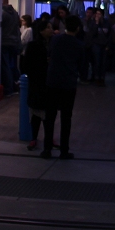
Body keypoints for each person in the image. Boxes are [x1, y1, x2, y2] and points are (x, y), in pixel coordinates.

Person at [42, 15, 83, 159]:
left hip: (53, 81)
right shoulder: (79, 45)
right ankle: (64, 150)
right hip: (69, 83)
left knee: (50, 116)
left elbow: (50, 54)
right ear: (77, 28)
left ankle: (47, 149)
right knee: (66, 117)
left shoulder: (55, 40)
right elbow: (81, 65)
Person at [19, 17, 52, 150]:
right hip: (38, 83)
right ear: (41, 31)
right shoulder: (34, 46)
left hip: (48, 83)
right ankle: (34, 137)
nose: (51, 30)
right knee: (37, 112)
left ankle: (47, 138)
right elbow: (26, 65)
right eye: (48, 27)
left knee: (47, 113)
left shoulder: (53, 44)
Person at [0, 0, 22, 96]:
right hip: (14, 42)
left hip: (4, 42)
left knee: (5, 66)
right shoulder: (15, 13)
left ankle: (8, 89)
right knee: (12, 65)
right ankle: (16, 85)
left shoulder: (2, 13)